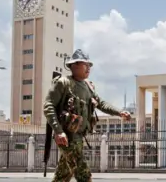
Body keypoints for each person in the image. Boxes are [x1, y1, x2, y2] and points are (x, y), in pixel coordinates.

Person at [43, 49, 131, 182]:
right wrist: (58, 131)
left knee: (63, 175)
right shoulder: (63, 83)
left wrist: (119, 112)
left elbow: (101, 103)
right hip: (66, 137)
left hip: (79, 136)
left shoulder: (88, 86)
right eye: (86, 64)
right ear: (74, 65)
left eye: (89, 65)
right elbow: (48, 106)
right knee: (82, 171)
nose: (89, 68)